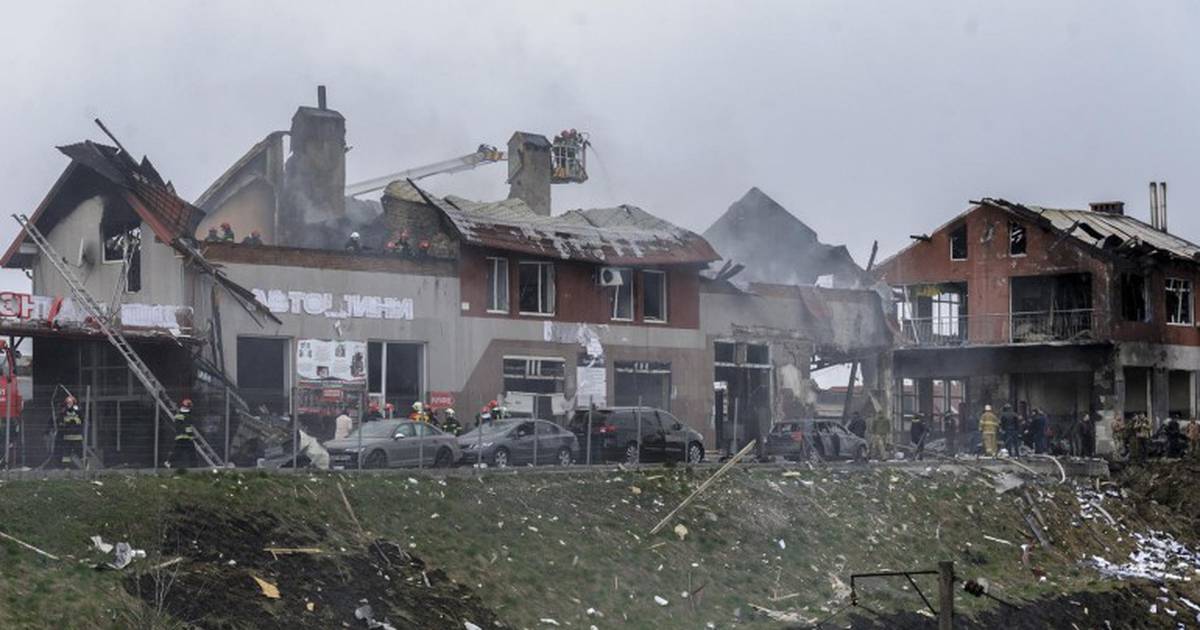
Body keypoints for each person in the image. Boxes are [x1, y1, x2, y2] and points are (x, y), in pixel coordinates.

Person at [169, 398, 197, 469]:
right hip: (185, 437)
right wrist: (191, 435)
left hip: (181, 436)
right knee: (191, 452)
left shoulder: (179, 415)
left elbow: (179, 426)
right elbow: (186, 427)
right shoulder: (186, 415)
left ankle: (169, 462)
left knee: (178, 452)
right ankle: (194, 467)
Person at [59, 395, 84, 468]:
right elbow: (61, 422)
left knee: (80, 453)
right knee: (66, 454)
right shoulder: (64, 412)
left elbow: (81, 421)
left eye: (70, 403)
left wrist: (73, 421)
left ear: (74, 403)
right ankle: (66, 468)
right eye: (67, 403)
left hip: (77, 437)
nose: (68, 404)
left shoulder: (78, 411)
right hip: (67, 437)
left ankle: (85, 468)